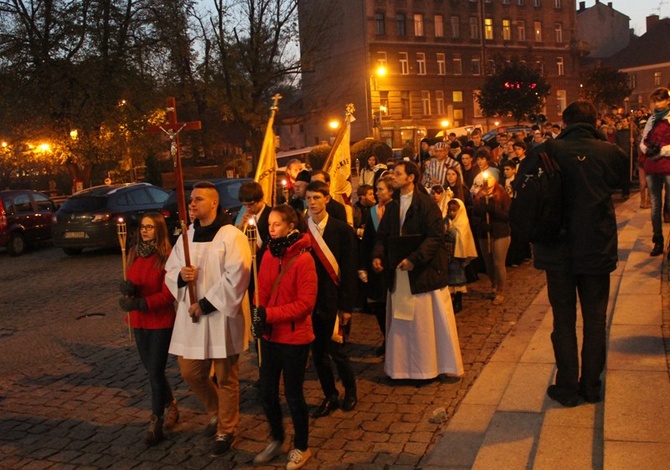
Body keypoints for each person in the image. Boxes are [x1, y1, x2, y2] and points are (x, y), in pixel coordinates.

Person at [523, 100, 628, 407]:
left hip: (557, 250)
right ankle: (592, 387)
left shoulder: (545, 151)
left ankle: (567, 387)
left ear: (565, 122)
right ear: (593, 121)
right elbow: (621, 181)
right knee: (595, 321)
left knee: (563, 320)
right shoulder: (609, 151)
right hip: (595, 246)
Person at [165, 181, 252, 457]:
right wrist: (181, 276)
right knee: (190, 372)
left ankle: (227, 428)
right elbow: (171, 269)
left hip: (220, 317)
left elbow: (238, 275)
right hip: (192, 319)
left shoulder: (231, 235)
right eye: (191, 199)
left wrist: (205, 303)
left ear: (214, 203)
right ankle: (215, 410)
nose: (192, 204)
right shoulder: (186, 236)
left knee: (226, 377)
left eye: (198, 199)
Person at [372, 160, 463, 380]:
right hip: (400, 274)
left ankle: (429, 368)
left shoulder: (425, 204)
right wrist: (377, 255)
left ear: (411, 177)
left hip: (422, 274)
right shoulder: (393, 206)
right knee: (403, 324)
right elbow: (383, 236)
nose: (393, 176)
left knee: (424, 326)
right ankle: (402, 369)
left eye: (398, 173)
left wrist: (415, 259)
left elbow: (435, 237)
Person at [251, 205, 317, 470]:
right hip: (270, 337)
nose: (272, 228)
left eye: (277, 224)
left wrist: (269, 314)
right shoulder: (268, 253)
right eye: (270, 224)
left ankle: (301, 445)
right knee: (266, 392)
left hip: (294, 338)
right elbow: (262, 289)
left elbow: (305, 304)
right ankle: (276, 437)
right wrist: (259, 315)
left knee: (293, 394)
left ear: (291, 226)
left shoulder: (303, 259)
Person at [118, 212, 177, 447]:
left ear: (159, 230)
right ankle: (171, 402)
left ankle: (156, 422)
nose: (145, 231)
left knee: (154, 372)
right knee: (153, 370)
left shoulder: (167, 256)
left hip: (160, 321)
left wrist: (143, 303)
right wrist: (127, 290)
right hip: (138, 320)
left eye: (150, 227)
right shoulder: (132, 253)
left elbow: (168, 294)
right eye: (143, 227)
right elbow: (132, 281)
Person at [304, 180, 358, 417]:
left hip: (333, 301)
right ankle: (330, 395)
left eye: (317, 197)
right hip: (310, 302)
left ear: (327, 199)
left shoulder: (342, 230)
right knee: (318, 353)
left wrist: (346, 306)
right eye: (309, 198)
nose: (312, 203)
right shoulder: (302, 231)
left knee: (338, 351)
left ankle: (351, 390)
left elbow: (348, 269)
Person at [359, 176, 394, 356]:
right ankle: (386, 337)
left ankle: (395, 340)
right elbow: (367, 240)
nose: (377, 193)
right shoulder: (373, 211)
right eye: (376, 190)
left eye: (380, 189)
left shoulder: (396, 209)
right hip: (375, 263)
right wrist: (363, 264)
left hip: (392, 264)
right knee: (379, 305)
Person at [640, 87, 670, 256]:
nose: (657, 104)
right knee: (655, 205)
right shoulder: (652, 119)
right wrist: (647, 150)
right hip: (652, 167)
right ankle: (657, 240)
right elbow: (643, 141)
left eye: (660, 100)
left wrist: (662, 151)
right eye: (655, 101)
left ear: (667, 100)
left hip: (668, 166)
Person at [445, 199, 478, 313]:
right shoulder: (446, 220)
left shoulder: (463, 222)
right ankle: (451, 300)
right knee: (448, 279)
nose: (452, 213)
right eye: (450, 210)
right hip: (447, 255)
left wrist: (451, 231)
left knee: (457, 278)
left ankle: (458, 301)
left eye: (454, 210)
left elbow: (462, 237)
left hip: (456, 256)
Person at [235, 181, 271, 261]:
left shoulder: (271, 214)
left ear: (261, 199)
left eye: (251, 204)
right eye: (244, 205)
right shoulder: (243, 217)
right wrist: (241, 226)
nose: (247, 208)